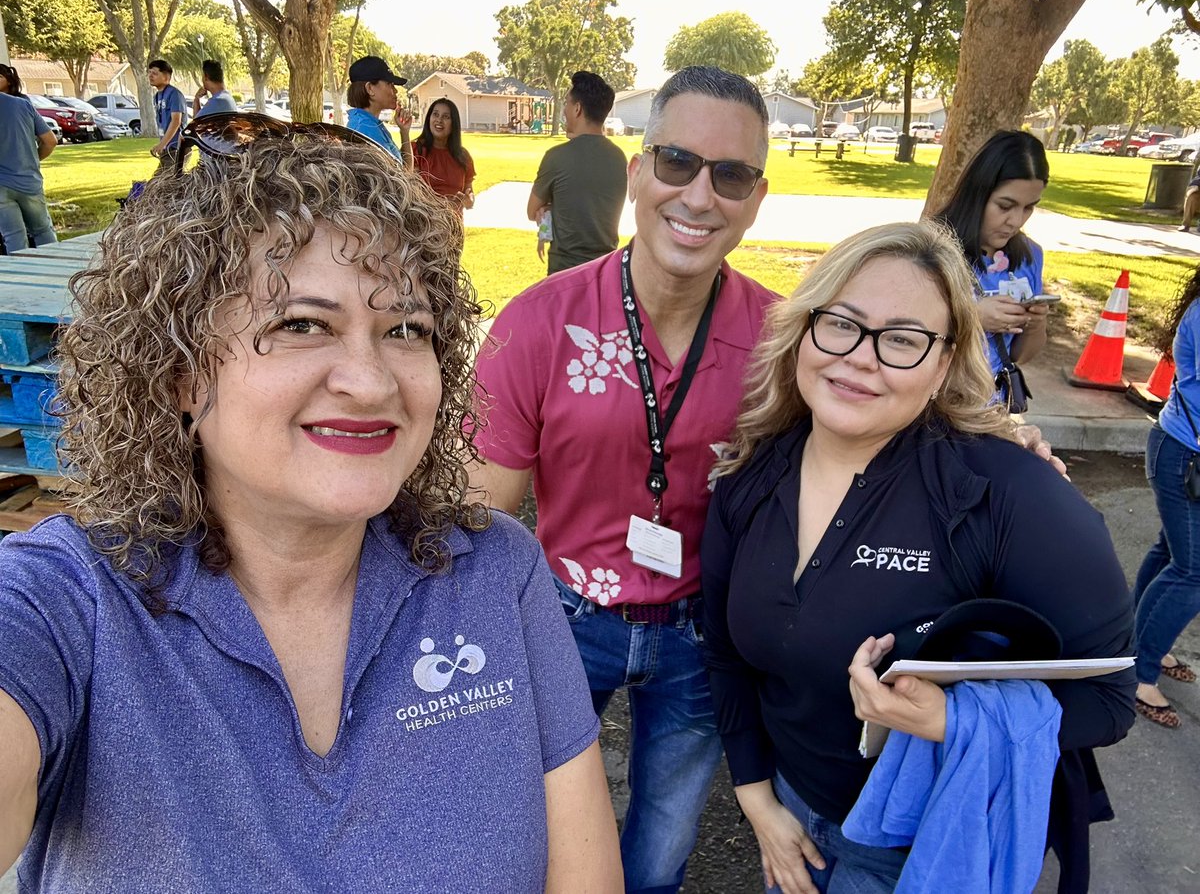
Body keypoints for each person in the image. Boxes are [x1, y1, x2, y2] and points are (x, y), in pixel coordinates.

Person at [0, 116, 621, 892]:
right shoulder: (65, 603)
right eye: (301, 324)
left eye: (405, 328)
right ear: (180, 373)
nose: (370, 381)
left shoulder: (494, 570)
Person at [701, 221, 1135, 894]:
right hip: (789, 816)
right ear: (802, 331)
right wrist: (757, 800)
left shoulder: (1009, 497)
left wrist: (950, 721)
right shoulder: (749, 478)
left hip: (925, 847)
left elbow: (1110, 701)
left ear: (945, 362)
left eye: (902, 340)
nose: (861, 357)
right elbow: (727, 656)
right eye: (841, 324)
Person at [471, 65, 775, 893]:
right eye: (677, 162)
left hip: (703, 625)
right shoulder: (539, 321)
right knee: (532, 834)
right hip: (567, 613)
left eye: (732, 175)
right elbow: (477, 515)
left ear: (756, 195)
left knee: (660, 851)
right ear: (637, 169)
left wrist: (1000, 444)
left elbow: (882, 420)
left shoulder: (785, 341)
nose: (700, 195)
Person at [933, 131, 1051, 400]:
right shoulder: (933, 249)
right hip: (936, 406)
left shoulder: (1029, 255)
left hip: (991, 409)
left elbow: (1020, 354)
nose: (1016, 220)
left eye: (1029, 207)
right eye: (1005, 206)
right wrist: (972, 317)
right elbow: (903, 333)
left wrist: (1035, 323)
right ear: (978, 193)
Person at [1131, 265, 1200, 728]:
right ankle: (1138, 674)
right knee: (1193, 569)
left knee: (1172, 551)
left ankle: (1138, 639)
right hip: (1183, 456)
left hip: (1184, 452)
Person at [527, 71, 628, 274]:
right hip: (605, 271)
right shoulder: (619, 158)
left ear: (577, 109)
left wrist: (549, 206)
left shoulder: (556, 157)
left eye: (566, 103)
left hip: (564, 271)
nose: (564, 110)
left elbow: (532, 211)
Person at [0, 85, 58, 254]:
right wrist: (32, 160)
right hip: (28, 180)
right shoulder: (22, 105)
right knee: (43, 231)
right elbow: (50, 141)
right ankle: (54, 268)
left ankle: (23, 276)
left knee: (13, 236)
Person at [345, 55, 413, 166]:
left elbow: (405, 172)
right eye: (389, 84)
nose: (395, 91)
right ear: (370, 88)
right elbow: (403, 176)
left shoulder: (372, 124)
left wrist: (404, 131)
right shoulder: (364, 130)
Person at [413, 98, 475, 213]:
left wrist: (469, 200)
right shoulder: (416, 150)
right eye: (435, 114)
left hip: (453, 226)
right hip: (424, 225)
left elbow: (469, 192)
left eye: (446, 117)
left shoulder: (463, 156)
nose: (439, 120)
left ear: (454, 123)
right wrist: (444, 204)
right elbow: (413, 193)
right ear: (429, 118)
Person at [148, 58, 186, 167]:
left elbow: (176, 121)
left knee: (168, 181)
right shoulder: (157, 96)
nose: (150, 76)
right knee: (157, 181)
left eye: (154, 73)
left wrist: (162, 144)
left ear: (166, 77)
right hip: (166, 147)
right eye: (149, 72)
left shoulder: (174, 95)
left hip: (176, 148)